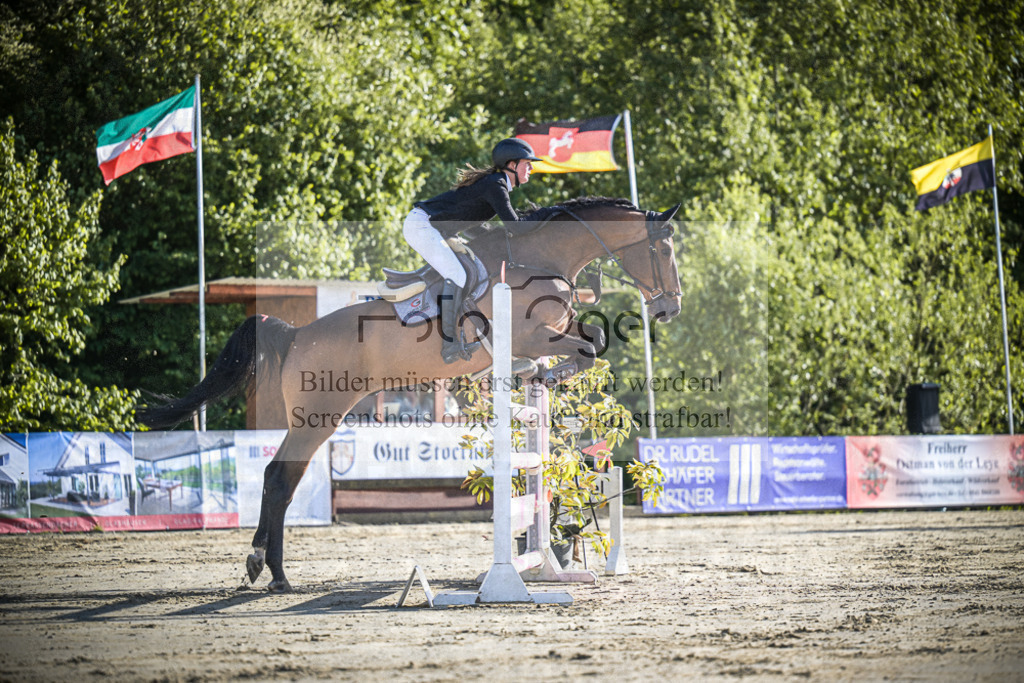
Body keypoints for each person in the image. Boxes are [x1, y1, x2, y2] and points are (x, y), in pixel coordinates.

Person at [404, 138, 541, 363]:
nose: (532, 168)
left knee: (464, 272)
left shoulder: (495, 184)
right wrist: (545, 219)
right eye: (528, 163)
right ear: (513, 165)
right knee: (456, 275)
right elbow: (514, 226)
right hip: (422, 226)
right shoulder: (496, 184)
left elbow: (476, 226)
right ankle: (449, 344)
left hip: (433, 228)